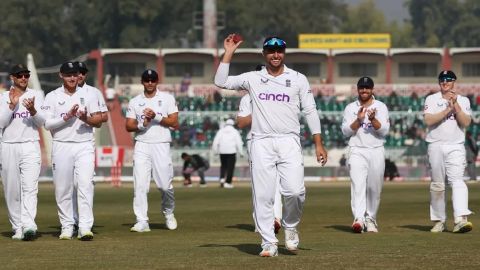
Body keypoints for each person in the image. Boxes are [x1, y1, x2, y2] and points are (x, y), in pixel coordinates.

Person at [214, 35, 328, 257]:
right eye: (271, 51)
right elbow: (221, 82)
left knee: (295, 192)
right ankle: (268, 242)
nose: (276, 55)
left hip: (289, 140)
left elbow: (310, 111)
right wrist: (228, 52)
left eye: (280, 51)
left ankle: (291, 226)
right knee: (264, 195)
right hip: (261, 141)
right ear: (264, 54)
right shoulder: (253, 78)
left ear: (284, 53)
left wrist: (318, 143)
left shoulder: (298, 79)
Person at [42, 62, 102, 240]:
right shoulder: (52, 96)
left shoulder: (88, 94)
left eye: (74, 74)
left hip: (84, 145)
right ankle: (67, 226)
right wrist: (67, 117)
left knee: (85, 185)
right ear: (61, 75)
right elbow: (47, 124)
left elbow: (98, 121)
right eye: (68, 74)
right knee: (63, 188)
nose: (72, 77)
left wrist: (85, 118)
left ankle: (84, 227)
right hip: (61, 144)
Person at [126, 69, 179, 232]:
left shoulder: (167, 98)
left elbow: (174, 122)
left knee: (164, 185)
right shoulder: (135, 101)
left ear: (157, 81)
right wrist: (142, 124)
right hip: (142, 144)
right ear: (142, 82)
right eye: (147, 80)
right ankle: (142, 221)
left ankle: (168, 212)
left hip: (161, 144)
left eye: (153, 80)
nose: (150, 83)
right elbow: (128, 126)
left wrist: (155, 116)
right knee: (140, 185)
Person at [424, 70, 473, 233]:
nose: (445, 82)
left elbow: (465, 122)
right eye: (442, 80)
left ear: (454, 82)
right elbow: (428, 120)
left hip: (456, 145)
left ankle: (460, 219)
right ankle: (439, 220)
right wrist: (447, 110)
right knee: (437, 184)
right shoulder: (432, 99)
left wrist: (456, 105)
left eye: (448, 79)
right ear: (439, 83)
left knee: (457, 180)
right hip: (435, 145)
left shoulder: (463, 100)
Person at [0, 64, 45, 240]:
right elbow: (1, 123)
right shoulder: (3, 96)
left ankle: (28, 225)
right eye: (20, 76)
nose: (24, 78)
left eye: (26, 75)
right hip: (8, 145)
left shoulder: (36, 95)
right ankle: (17, 227)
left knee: (30, 187)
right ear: (12, 77)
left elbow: (42, 123)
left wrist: (33, 110)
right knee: (11, 189)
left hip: (30, 144)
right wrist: (11, 106)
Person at [341, 76, 390, 233]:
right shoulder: (350, 108)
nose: (364, 90)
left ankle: (371, 219)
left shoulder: (381, 107)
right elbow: (346, 131)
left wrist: (373, 119)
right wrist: (359, 120)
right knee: (357, 185)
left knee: (374, 187)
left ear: (372, 89)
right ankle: (359, 219)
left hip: (376, 149)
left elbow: (384, 131)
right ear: (357, 89)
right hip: (356, 149)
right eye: (361, 87)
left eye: (367, 88)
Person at [237, 93, 282, 234]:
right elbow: (241, 123)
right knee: (259, 183)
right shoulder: (247, 98)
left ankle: (275, 218)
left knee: (277, 182)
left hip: (279, 139)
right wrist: (260, 111)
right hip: (255, 139)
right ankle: (261, 221)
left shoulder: (279, 93)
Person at [71, 61, 108, 233]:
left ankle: (85, 222)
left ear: (85, 75)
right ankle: (72, 220)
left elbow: (104, 117)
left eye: (82, 73)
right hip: (65, 143)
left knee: (84, 184)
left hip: (86, 141)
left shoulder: (93, 92)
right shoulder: (61, 93)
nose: (79, 76)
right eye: (76, 72)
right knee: (69, 185)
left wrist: (89, 117)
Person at [211, 118, 244, 188]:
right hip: (231, 151)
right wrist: (241, 152)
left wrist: (215, 151)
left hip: (222, 151)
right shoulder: (235, 131)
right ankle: (228, 182)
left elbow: (215, 141)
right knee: (230, 168)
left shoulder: (221, 131)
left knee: (223, 166)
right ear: (233, 124)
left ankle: (222, 179)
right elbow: (239, 142)